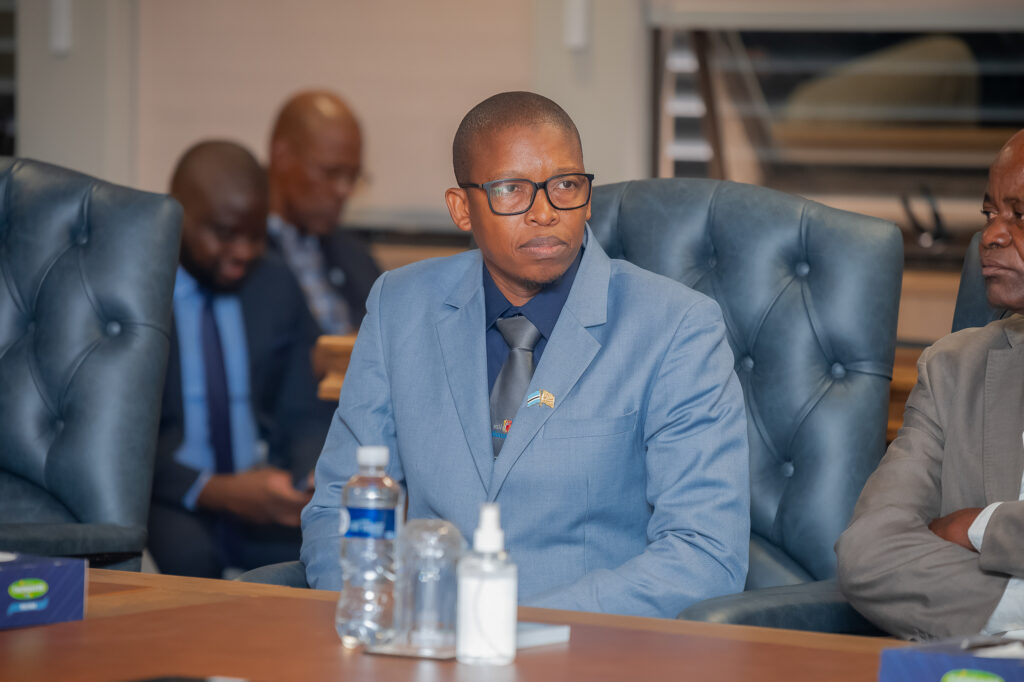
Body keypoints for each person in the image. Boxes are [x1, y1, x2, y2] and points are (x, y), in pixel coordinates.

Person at [301, 92, 750, 618]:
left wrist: (514, 628)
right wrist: (371, 615)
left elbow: (704, 554)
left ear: (587, 197)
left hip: (588, 652)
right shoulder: (400, 305)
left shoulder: (675, 327)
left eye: (565, 186)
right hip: (418, 644)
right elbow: (339, 507)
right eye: (512, 190)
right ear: (461, 208)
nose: (544, 213)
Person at [837, 130, 1024, 640]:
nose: (993, 236)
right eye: (991, 214)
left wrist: (981, 526)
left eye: (1020, 215)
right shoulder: (952, 370)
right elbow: (868, 556)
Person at [149, 140, 332, 578]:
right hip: (173, 493)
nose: (243, 252)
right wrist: (211, 490)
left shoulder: (276, 286)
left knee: (313, 566)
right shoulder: (134, 296)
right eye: (223, 233)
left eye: (254, 235)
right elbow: (116, 438)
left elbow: (305, 408)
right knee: (189, 568)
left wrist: (304, 478)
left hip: (263, 489)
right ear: (176, 216)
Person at [266, 90, 381, 334]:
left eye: (352, 176)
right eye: (331, 173)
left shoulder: (355, 256)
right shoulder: (243, 256)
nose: (344, 190)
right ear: (282, 156)